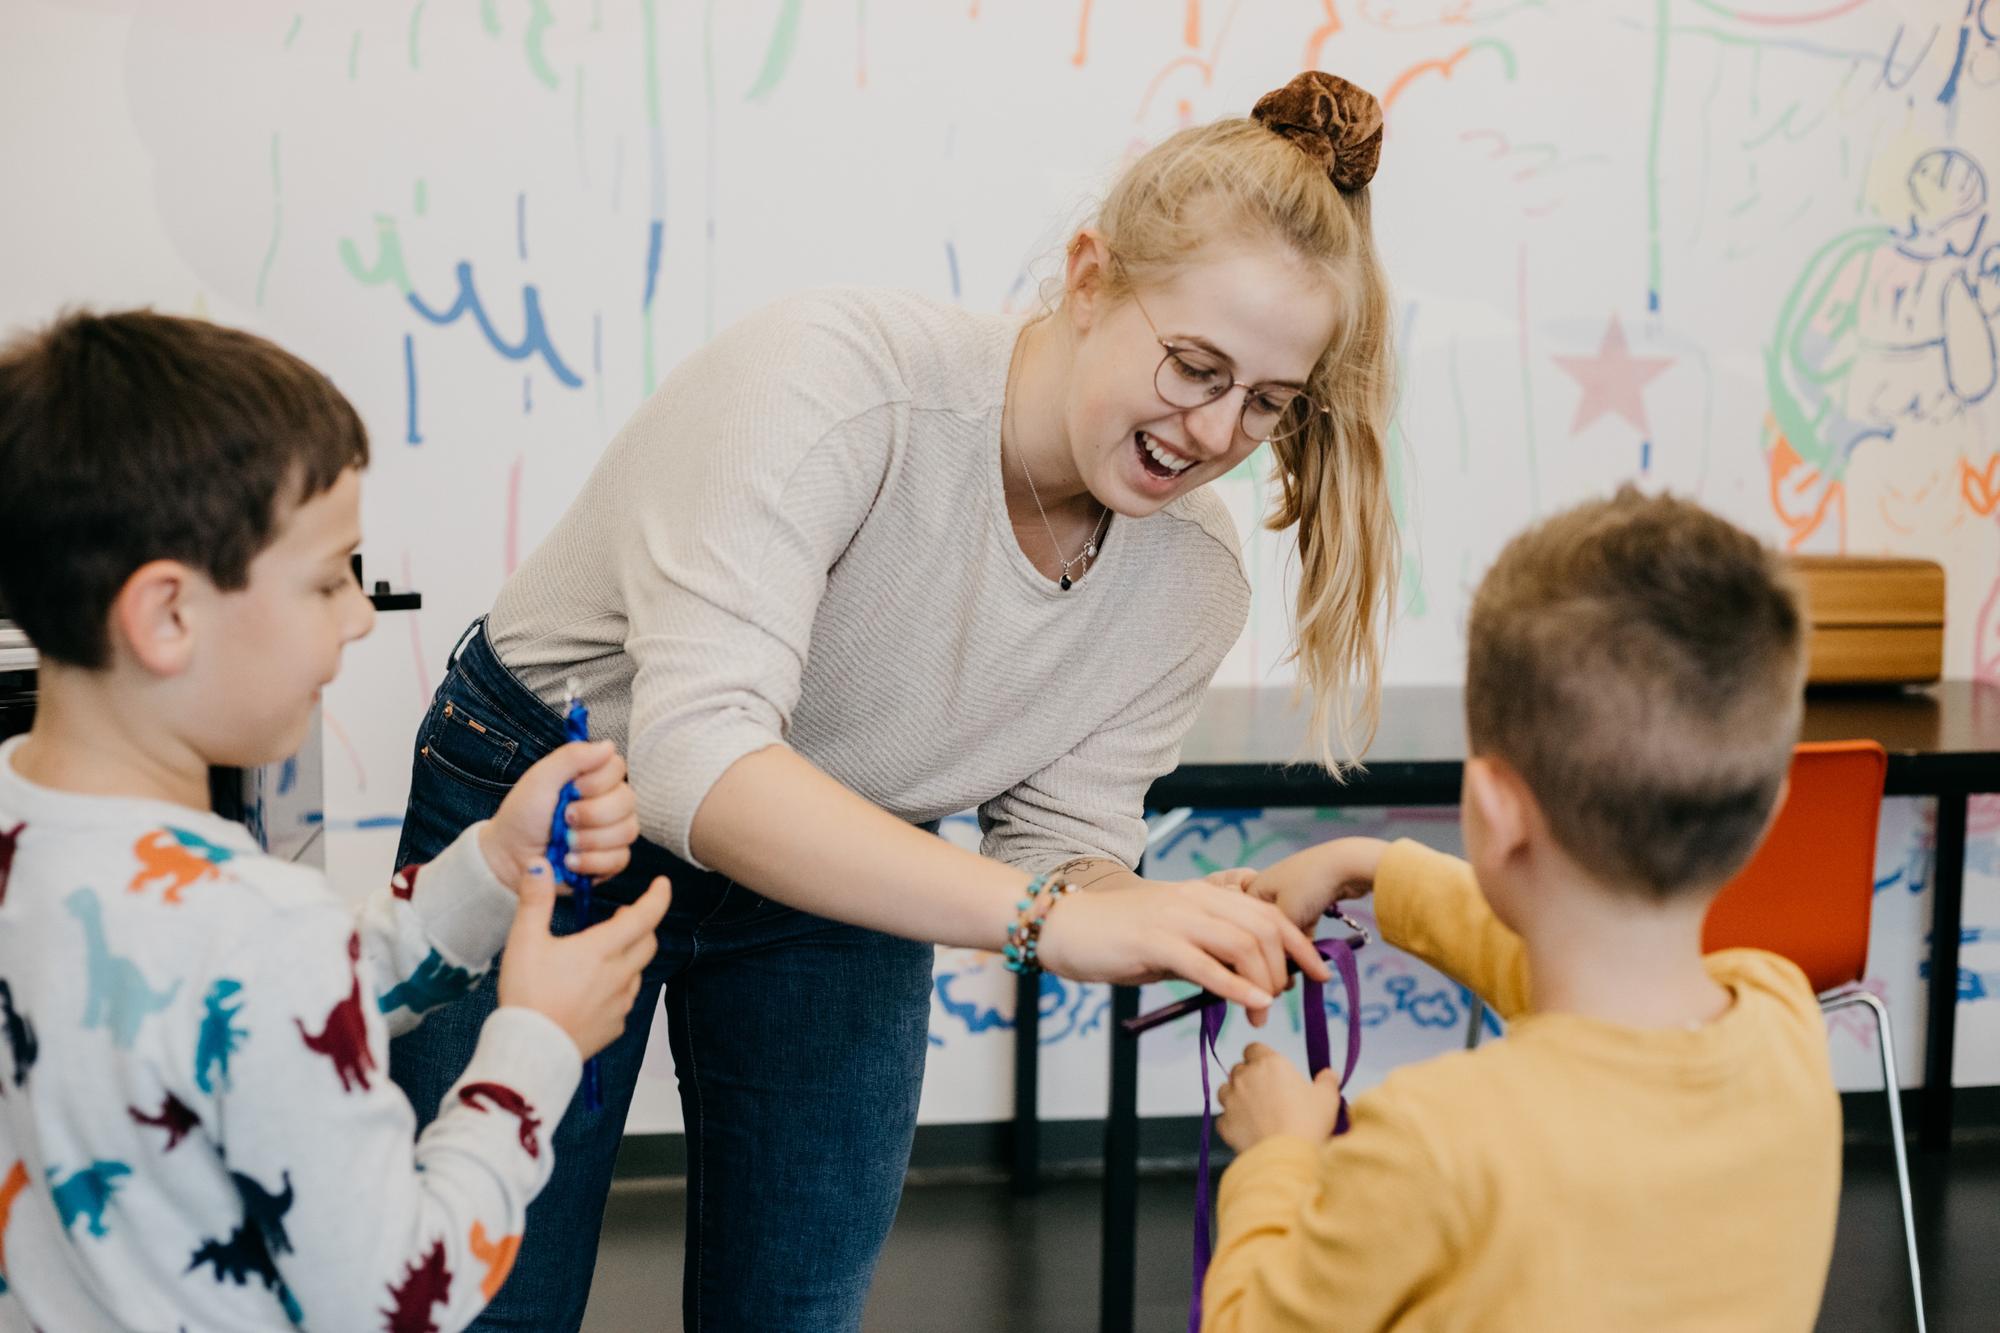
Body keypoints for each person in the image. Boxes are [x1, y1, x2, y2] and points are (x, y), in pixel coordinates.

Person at [387, 69, 1402, 1330]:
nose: (1211, 432)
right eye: (1193, 366)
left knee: (797, 1302)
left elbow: (1060, 852)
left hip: (840, 851)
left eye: (1266, 404)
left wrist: (1179, 911)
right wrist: (1039, 914)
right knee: (478, 1295)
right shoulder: (837, 382)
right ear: (1089, 277)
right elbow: (697, 761)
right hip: (561, 790)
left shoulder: (1188, 577)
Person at [0, 310, 670, 1330]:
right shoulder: (254, 922)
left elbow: (235, 1008)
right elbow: (401, 1293)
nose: (360, 616)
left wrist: (489, 863)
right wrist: (535, 1042)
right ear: (168, 614)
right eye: (327, 579)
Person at [1205, 488, 1839, 1330]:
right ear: (1766, 810)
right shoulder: (1785, 1022)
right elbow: (1576, 970)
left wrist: (1279, 1156)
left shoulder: (1435, 1139)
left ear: (1491, 810)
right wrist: (1375, 869)